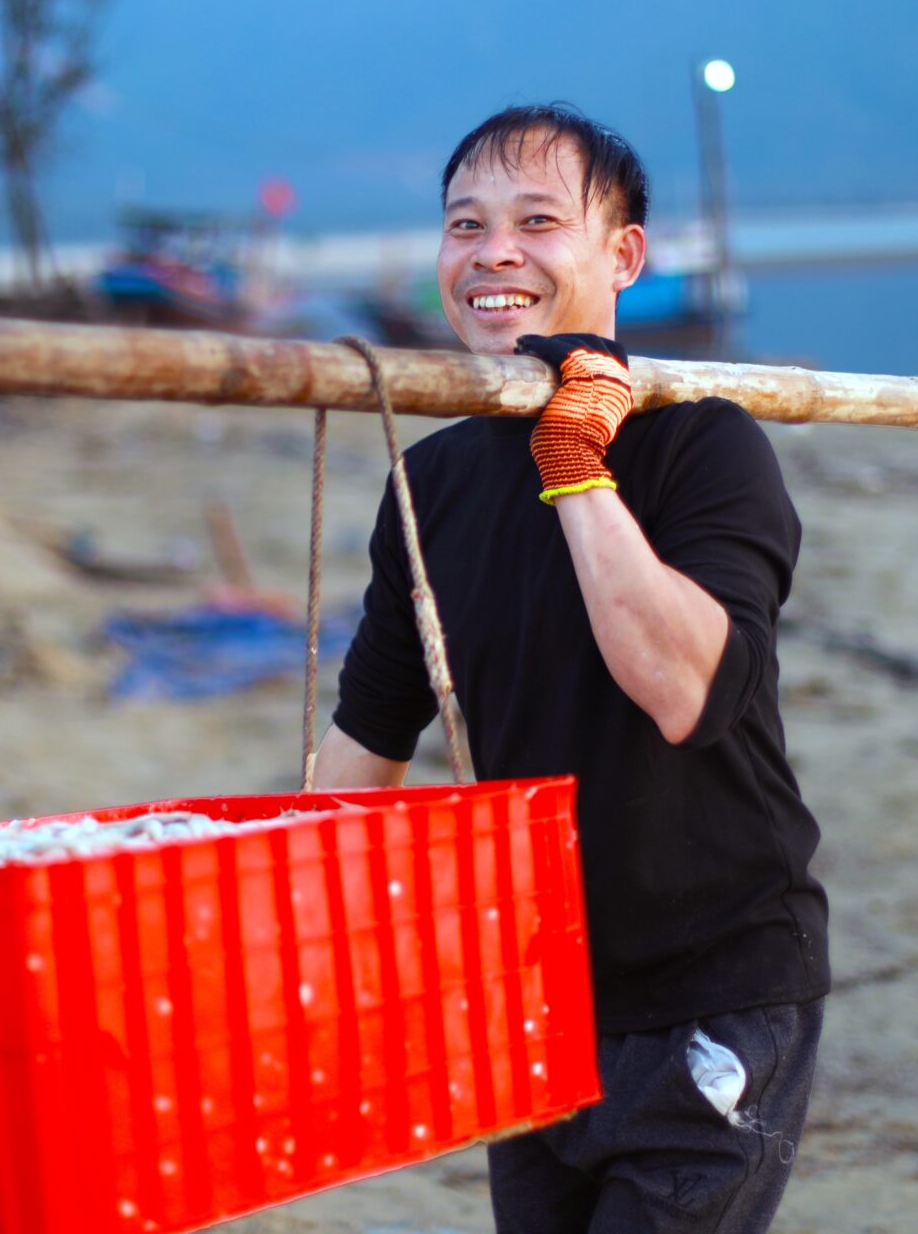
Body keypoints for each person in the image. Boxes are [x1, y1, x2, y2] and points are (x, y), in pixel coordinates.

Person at [311, 103, 830, 1233]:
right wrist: (275, 938)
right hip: (532, 1002)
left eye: (537, 220)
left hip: (718, 989)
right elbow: (366, 742)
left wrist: (574, 463)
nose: (494, 252)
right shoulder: (430, 485)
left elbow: (683, 686)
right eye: (466, 225)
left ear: (623, 255)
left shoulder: (706, 444)